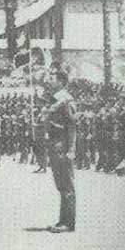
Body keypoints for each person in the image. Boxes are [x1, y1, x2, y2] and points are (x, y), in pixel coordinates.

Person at [47, 67, 77, 233]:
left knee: (67, 185)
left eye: (53, 78)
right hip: (55, 144)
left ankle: (68, 222)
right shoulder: (56, 99)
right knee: (61, 185)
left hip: (63, 145)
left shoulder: (66, 100)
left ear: (61, 81)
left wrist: (71, 148)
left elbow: (72, 126)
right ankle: (62, 220)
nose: (50, 80)